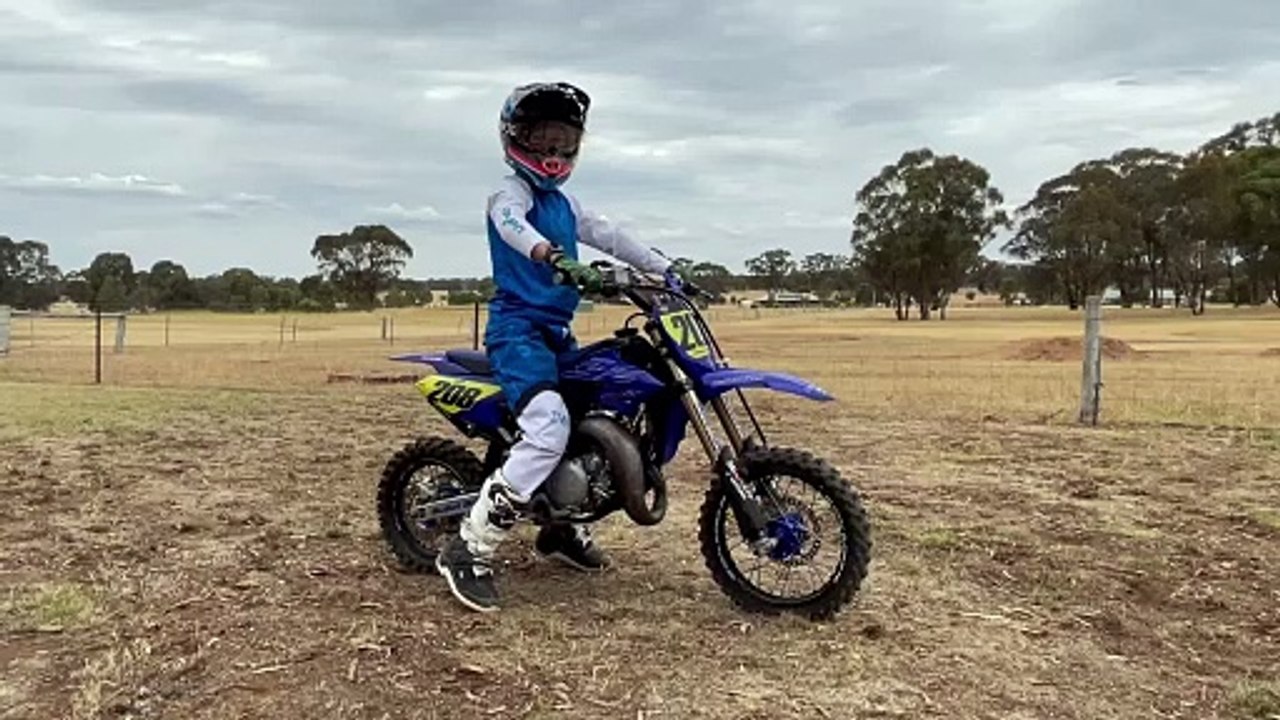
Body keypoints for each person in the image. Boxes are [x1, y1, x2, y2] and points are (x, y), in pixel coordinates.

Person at [435, 81, 684, 613]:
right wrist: (550, 254)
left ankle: (561, 527)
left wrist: (666, 269)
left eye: (562, 139)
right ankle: (469, 547)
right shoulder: (510, 195)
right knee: (549, 427)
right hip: (517, 332)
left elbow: (611, 234)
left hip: (555, 334)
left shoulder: (567, 203)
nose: (551, 152)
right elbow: (511, 227)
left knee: (593, 418)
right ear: (514, 138)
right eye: (540, 138)